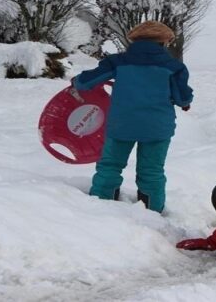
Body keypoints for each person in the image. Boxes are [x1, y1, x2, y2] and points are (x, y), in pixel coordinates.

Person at [72, 21, 193, 213]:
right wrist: (185, 102)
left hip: (122, 125)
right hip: (157, 128)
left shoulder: (119, 62)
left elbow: (85, 82)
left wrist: (76, 81)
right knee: (152, 171)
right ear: (163, 43)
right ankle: (152, 212)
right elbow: (182, 97)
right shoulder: (174, 67)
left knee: (110, 166)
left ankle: (101, 207)